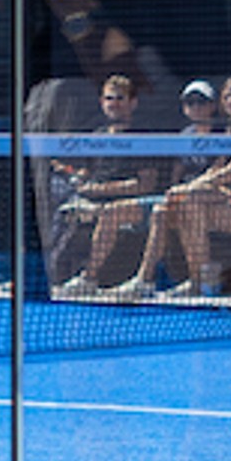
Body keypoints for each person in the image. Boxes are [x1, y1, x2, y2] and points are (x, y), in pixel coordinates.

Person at [114, 72, 231, 300]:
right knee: (163, 211)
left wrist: (186, 189)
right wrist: (188, 189)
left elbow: (230, 172)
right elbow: (215, 169)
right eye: (228, 96)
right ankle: (145, 280)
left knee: (189, 202)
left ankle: (202, 281)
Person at [50, 69, 173, 295]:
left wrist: (97, 191)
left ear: (133, 103)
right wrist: (75, 174)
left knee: (99, 213)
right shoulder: (98, 136)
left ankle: (86, 278)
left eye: (120, 98)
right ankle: (52, 278)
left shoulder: (142, 138)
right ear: (101, 102)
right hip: (90, 198)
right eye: (109, 98)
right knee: (61, 207)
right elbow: (91, 171)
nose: (113, 104)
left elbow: (144, 184)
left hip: (127, 203)